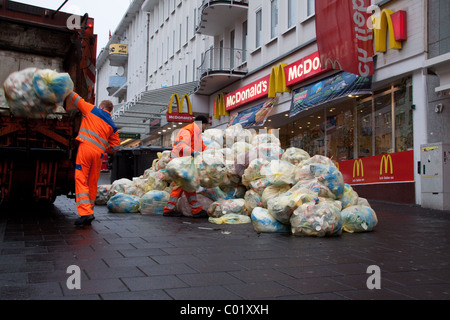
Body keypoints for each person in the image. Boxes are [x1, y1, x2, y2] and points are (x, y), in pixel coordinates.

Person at [66, 91, 121, 226]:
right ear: (109, 111)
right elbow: (116, 147)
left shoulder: (92, 110)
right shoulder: (112, 125)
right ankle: (90, 210)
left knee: (81, 178)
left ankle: (85, 213)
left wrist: (67, 89)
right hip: (99, 155)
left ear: (101, 107)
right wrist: (104, 148)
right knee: (92, 182)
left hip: (85, 149)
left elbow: (77, 99)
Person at [163, 115, 209, 219]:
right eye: (205, 125)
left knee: (188, 184)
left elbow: (201, 146)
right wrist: (194, 153)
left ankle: (195, 209)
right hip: (179, 163)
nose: (205, 128)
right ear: (202, 124)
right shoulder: (187, 130)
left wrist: (212, 152)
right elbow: (181, 146)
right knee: (181, 185)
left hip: (185, 163)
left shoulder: (196, 134)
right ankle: (169, 209)